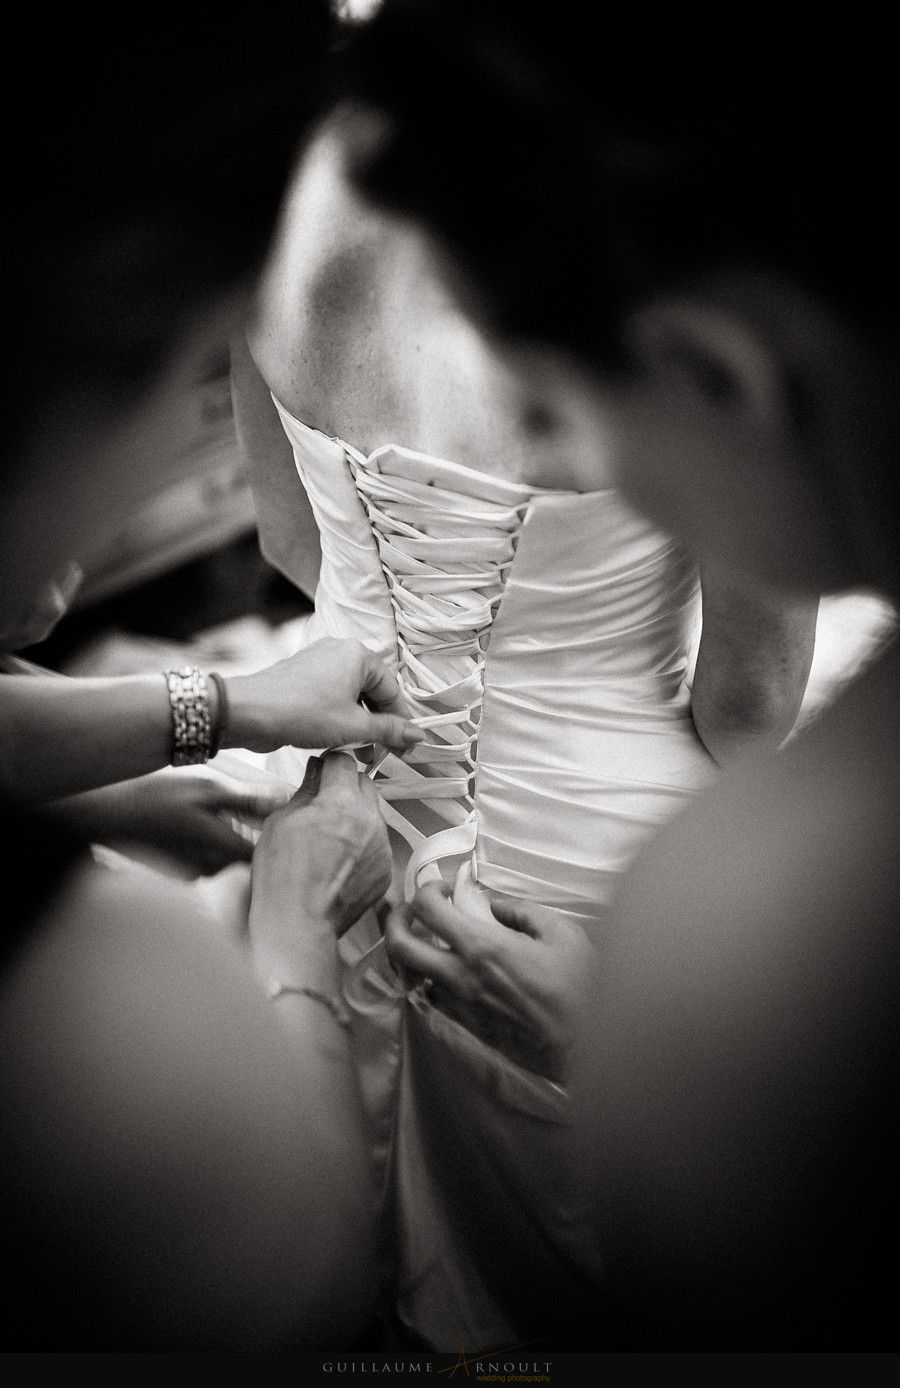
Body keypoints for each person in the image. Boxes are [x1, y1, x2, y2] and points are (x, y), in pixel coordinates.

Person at [343, 0, 900, 1349]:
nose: (536, 440)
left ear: (715, 368)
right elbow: (746, 698)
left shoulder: (770, 927)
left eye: (543, 404)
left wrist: (639, 1066)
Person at [229, 88, 818, 1349]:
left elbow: (286, 541)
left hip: (334, 804)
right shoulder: (682, 242)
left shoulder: (278, 171)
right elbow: (751, 703)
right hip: (590, 888)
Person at [0, 9, 409, 1351]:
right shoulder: (97, 1022)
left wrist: (213, 712)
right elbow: (303, 1299)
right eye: (192, 385)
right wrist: (285, 935)